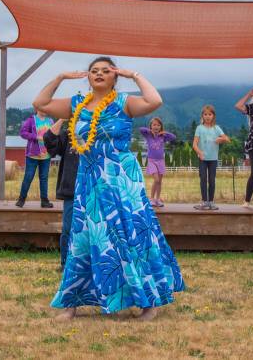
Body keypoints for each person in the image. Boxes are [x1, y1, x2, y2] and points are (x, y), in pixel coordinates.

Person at [34, 56, 183, 321]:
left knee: (128, 236)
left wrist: (134, 74)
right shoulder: (76, 105)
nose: (99, 74)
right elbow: (41, 104)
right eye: (94, 71)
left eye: (106, 71)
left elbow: (154, 101)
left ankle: (149, 302)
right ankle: (71, 304)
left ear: (115, 77)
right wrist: (60, 78)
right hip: (88, 179)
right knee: (82, 238)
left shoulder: (124, 102)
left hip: (120, 180)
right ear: (88, 77)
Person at [43, 118, 79, 269]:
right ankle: (65, 264)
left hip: (93, 190)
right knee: (68, 228)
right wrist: (63, 118)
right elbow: (49, 140)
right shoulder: (68, 135)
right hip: (71, 190)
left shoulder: (96, 134)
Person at [193, 105, 230, 211]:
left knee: (212, 180)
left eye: (210, 114)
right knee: (203, 179)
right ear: (202, 116)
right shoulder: (199, 128)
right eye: (205, 114)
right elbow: (194, 144)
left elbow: (227, 139)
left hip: (213, 159)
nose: (208, 116)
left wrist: (221, 139)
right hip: (203, 159)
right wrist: (199, 152)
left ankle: (211, 202)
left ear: (213, 116)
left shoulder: (216, 128)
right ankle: (204, 201)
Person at [17, 109, 54, 208]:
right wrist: (36, 136)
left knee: (44, 178)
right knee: (28, 177)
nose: (44, 110)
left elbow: (54, 135)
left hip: (46, 155)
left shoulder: (50, 121)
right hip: (32, 155)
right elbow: (23, 133)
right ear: (37, 108)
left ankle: (44, 201)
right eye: (42, 108)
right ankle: (21, 200)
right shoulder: (31, 120)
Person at [139, 117, 175, 207]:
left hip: (161, 161)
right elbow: (141, 129)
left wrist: (164, 132)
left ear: (161, 127)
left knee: (160, 181)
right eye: (154, 125)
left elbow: (173, 137)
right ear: (151, 126)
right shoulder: (148, 135)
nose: (156, 126)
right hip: (152, 161)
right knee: (156, 179)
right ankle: (151, 199)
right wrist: (150, 131)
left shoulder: (162, 136)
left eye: (158, 125)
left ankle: (157, 199)